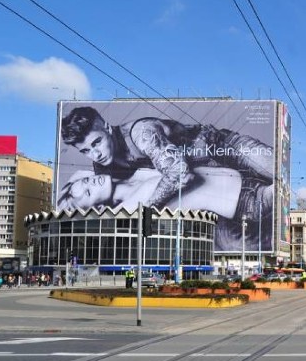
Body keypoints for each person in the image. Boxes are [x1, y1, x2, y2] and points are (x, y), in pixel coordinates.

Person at [61, 106, 274, 209]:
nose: (95, 154)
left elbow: (180, 174)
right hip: (215, 181)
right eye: (85, 150)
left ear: (107, 128)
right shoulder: (103, 168)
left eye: (96, 142)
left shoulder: (140, 133)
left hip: (222, 147)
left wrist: (144, 211)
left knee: (278, 174)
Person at [57, 166, 271, 252]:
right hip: (247, 204)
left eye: (85, 180)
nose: (91, 183)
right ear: (97, 206)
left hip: (247, 180)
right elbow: (178, 174)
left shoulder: (133, 174)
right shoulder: (130, 206)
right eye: (87, 193)